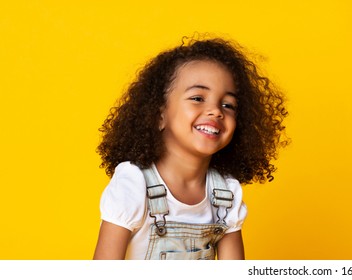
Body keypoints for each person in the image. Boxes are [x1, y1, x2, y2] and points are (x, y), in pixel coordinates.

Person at [93, 37, 288, 260]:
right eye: (197, 98)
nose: (216, 111)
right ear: (159, 115)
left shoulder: (226, 193)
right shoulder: (134, 184)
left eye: (228, 105)